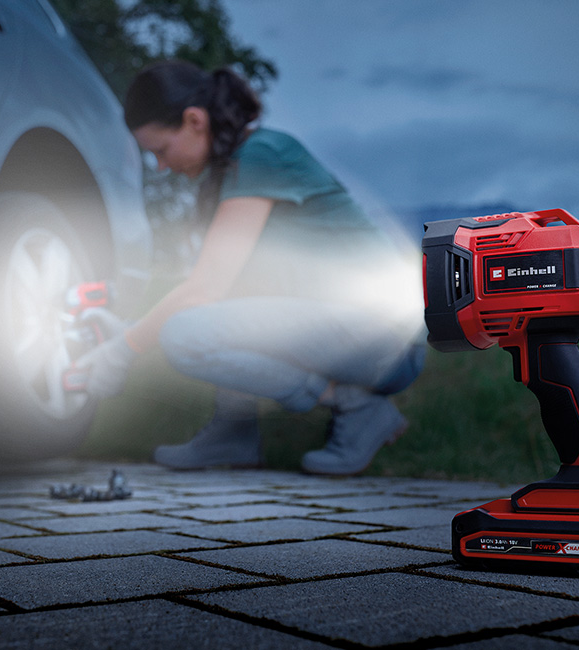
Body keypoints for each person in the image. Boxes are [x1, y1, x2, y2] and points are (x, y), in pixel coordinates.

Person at [76, 60, 425, 475]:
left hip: (385, 340)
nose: (161, 167)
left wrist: (124, 350)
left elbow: (204, 289)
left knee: (184, 335)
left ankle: (355, 406)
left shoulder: (261, 155)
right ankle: (234, 431)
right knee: (209, 313)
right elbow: (220, 289)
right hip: (356, 332)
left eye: (160, 150)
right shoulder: (235, 172)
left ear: (194, 120)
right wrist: (132, 329)